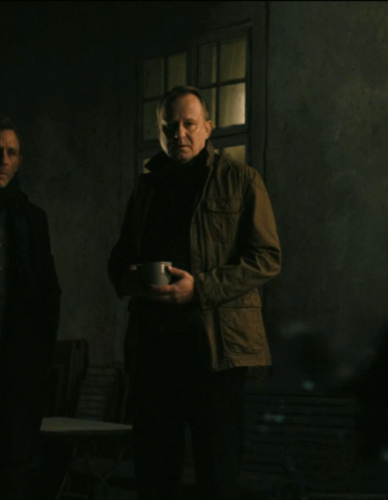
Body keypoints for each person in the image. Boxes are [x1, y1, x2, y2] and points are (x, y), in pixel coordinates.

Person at [108, 85, 281, 499]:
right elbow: (119, 259)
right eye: (170, 126)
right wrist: (132, 277)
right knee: (154, 475)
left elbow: (267, 257)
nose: (180, 134)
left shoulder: (241, 180)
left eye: (189, 124)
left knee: (217, 474)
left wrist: (199, 288)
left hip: (215, 353)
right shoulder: (146, 188)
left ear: (208, 127)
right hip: (153, 350)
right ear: (159, 132)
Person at [0, 116, 61, 499]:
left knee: (14, 472)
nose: (2, 160)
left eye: (11, 152)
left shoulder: (33, 220)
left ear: (20, 160)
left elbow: (49, 294)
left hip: (17, 373)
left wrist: (38, 360)